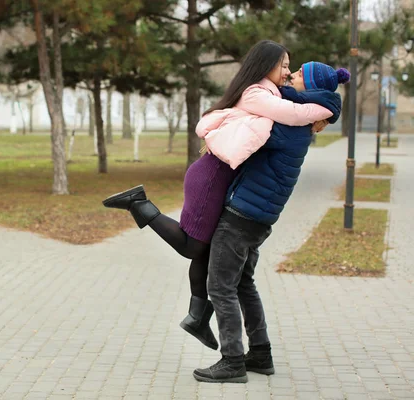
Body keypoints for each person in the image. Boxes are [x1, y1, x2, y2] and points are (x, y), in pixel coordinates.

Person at [102, 40, 336, 351]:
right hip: (213, 178)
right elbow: (290, 113)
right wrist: (327, 106)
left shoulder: (274, 101)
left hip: (228, 186)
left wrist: (324, 104)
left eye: (292, 69)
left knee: (208, 254)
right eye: (283, 66)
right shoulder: (262, 97)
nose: (288, 73)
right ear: (265, 65)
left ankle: (199, 319)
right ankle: (138, 203)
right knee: (194, 248)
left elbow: (291, 111)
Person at [192, 62, 347, 384]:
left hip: (243, 214)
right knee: (244, 284)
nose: (292, 76)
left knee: (220, 287)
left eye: (301, 74)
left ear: (313, 85)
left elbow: (247, 128)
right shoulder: (301, 118)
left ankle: (232, 360)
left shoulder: (290, 123)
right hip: (261, 216)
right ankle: (260, 354)